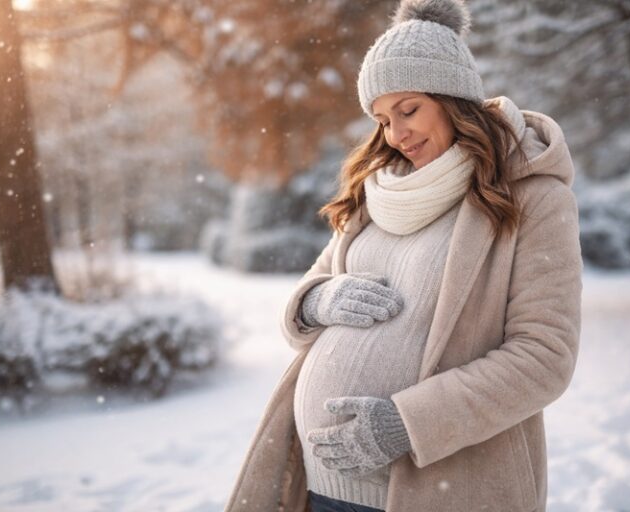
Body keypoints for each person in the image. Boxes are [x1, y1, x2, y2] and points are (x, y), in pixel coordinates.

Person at [224, 0, 582, 510]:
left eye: (408, 110)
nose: (396, 135)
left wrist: (406, 424)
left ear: (453, 99)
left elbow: (544, 359)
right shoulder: (378, 193)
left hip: (440, 489)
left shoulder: (532, 199)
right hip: (321, 486)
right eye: (383, 119)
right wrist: (318, 302)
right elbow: (300, 309)